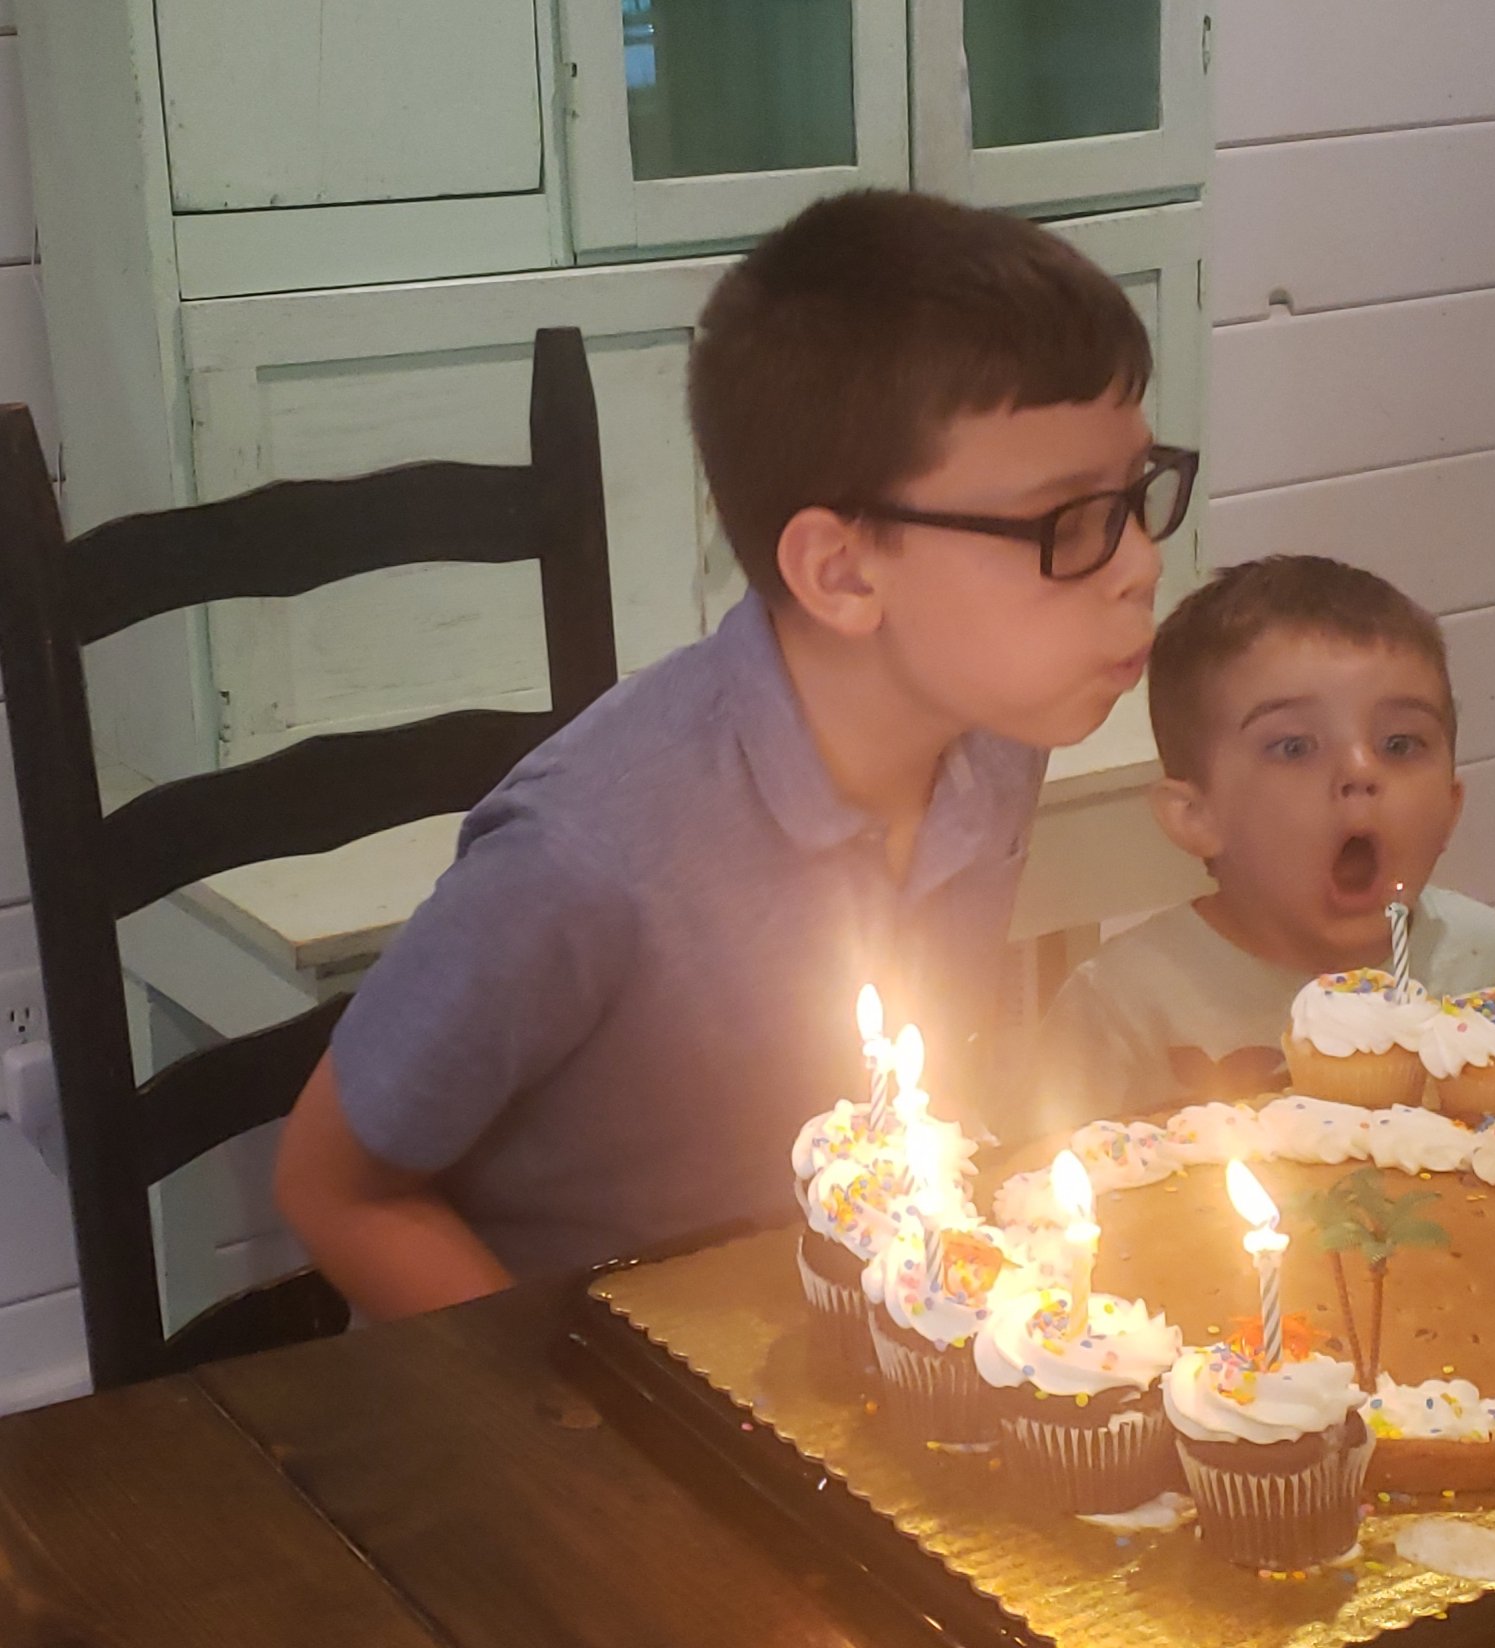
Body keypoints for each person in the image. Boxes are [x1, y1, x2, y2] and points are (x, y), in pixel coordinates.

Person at [273, 191, 1192, 1318]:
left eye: (1136, 495)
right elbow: (333, 1188)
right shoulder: (584, 856)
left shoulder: (994, 729)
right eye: (1071, 522)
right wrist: (577, 1404)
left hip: (840, 1326)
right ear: (842, 574)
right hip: (594, 1375)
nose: (1140, 564)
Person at [1029, 555, 1495, 1126]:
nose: (1360, 770)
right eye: (1294, 748)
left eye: (1400, 744)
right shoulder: (1124, 1006)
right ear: (1195, 816)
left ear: (1450, 807)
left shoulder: (1485, 962)